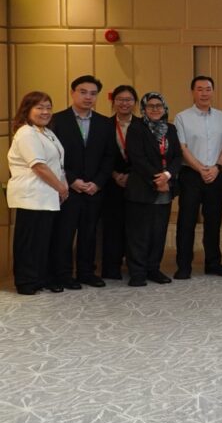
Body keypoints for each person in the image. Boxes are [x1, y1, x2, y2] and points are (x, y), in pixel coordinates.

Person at [50, 74, 115, 289]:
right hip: (67, 188)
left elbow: (109, 157)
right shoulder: (57, 120)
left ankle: (86, 272)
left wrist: (98, 183)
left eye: (93, 94)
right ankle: (63, 274)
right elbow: (53, 157)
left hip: (94, 189)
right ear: (72, 93)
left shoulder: (105, 123)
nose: (88, 97)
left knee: (89, 233)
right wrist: (71, 180)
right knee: (65, 233)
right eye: (83, 92)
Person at [173, 75, 222, 279]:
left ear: (213, 92)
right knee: (186, 222)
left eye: (208, 89)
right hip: (191, 175)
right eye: (199, 89)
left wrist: (217, 167)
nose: (204, 93)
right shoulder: (182, 117)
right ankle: (184, 266)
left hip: (215, 174)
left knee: (214, 221)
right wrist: (200, 168)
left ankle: (213, 263)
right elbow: (182, 148)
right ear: (192, 92)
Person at [7, 92, 68, 294]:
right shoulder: (26, 133)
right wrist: (61, 187)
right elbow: (39, 166)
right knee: (29, 241)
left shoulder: (47, 132)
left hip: (47, 195)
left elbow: (58, 163)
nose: (45, 112)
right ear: (27, 110)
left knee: (42, 241)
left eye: (48, 107)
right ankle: (26, 282)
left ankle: (39, 278)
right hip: (31, 195)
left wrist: (63, 184)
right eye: (39, 107)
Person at [123, 92, 183, 287]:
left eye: (159, 106)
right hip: (142, 188)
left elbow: (177, 156)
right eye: (151, 106)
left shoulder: (170, 129)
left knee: (159, 232)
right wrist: (157, 178)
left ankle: (153, 269)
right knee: (139, 233)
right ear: (144, 109)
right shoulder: (136, 128)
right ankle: (137, 272)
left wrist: (167, 176)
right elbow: (137, 158)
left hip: (165, 188)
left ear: (165, 108)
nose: (155, 109)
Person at [101, 84, 138, 281]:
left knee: (134, 226)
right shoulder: (104, 125)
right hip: (111, 181)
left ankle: (135, 266)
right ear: (113, 102)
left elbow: (148, 156)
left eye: (129, 100)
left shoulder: (142, 125)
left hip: (137, 181)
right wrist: (115, 175)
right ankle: (111, 267)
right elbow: (99, 155)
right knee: (112, 226)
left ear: (135, 103)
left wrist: (131, 175)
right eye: (120, 100)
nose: (124, 103)